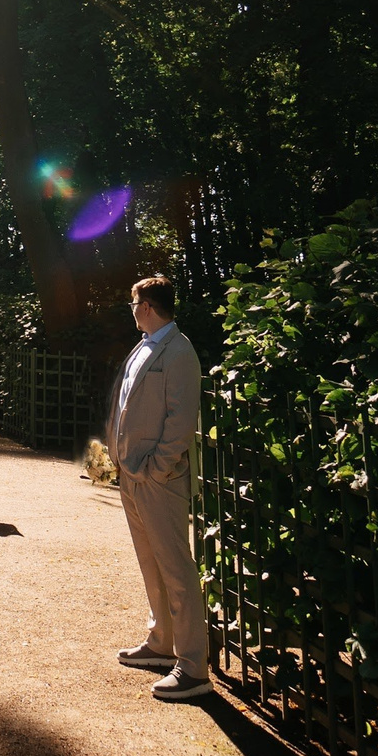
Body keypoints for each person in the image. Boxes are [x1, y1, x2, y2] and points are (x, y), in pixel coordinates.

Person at [110, 275, 209, 700]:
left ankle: (192, 667)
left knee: (177, 568)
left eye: (134, 303)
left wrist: (155, 468)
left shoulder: (180, 350)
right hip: (132, 475)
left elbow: (181, 419)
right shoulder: (144, 345)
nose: (131, 310)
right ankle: (160, 643)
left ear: (147, 305)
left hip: (157, 479)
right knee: (150, 561)